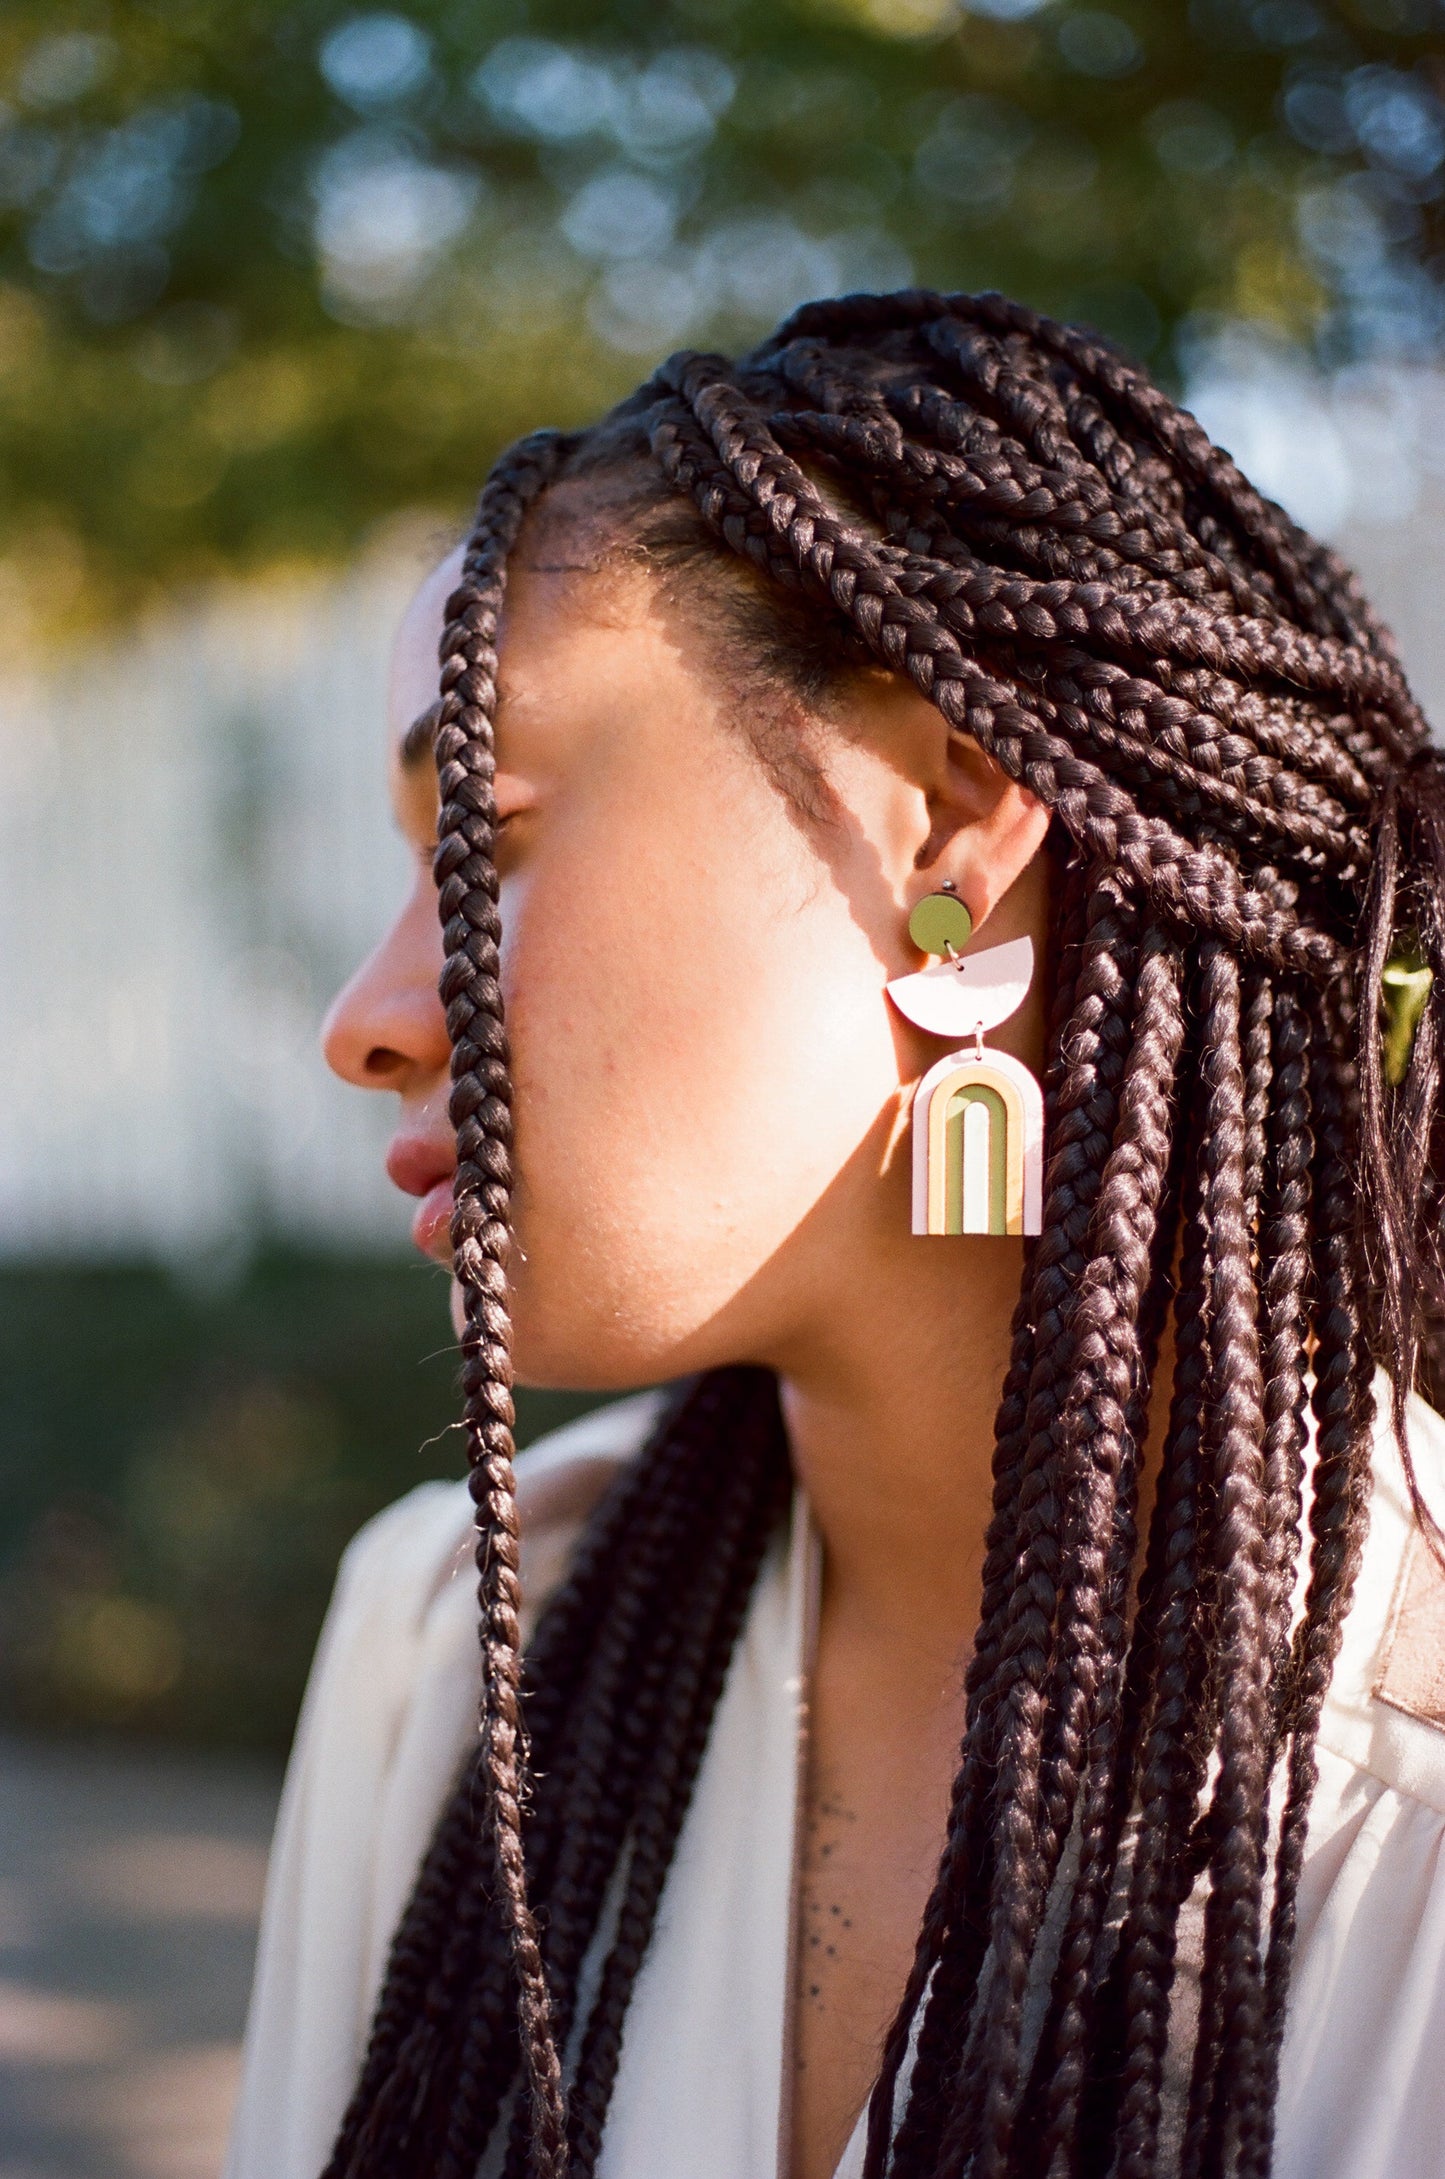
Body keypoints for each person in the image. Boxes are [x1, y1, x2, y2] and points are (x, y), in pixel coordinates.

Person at [224, 291, 1445, 2179]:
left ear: (951, 816)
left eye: (483, 836)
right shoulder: (459, 1641)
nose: (365, 1017)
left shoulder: (1408, 1794)